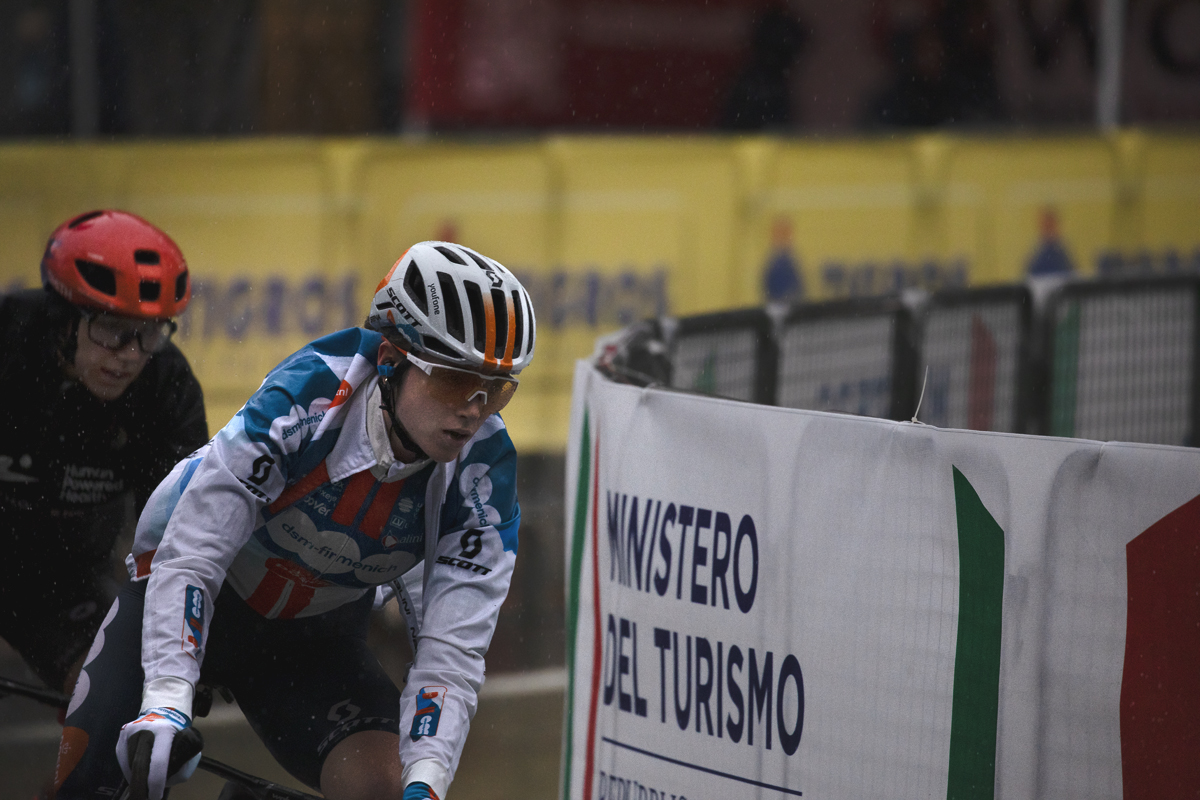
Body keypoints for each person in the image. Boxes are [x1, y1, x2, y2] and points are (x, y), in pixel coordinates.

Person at [55, 241, 537, 800]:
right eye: (454, 380)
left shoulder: (483, 473)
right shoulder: (311, 394)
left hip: (313, 640)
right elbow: (192, 554)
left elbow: (450, 657)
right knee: (92, 786)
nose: (473, 408)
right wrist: (167, 699)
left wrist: (426, 784)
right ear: (390, 359)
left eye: (495, 389)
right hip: (199, 594)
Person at [0, 210, 207, 697]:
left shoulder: (165, 387)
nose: (131, 354)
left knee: (120, 701)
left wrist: (179, 652)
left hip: (62, 580)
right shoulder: (7, 342)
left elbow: (184, 539)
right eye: (114, 329)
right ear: (64, 319)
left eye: (151, 332)